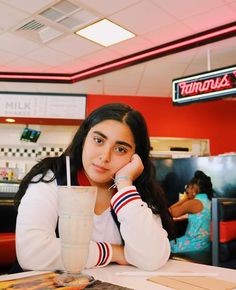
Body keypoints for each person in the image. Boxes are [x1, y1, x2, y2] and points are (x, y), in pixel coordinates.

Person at [14, 103, 175, 273]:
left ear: (135, 157)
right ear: (84, 138)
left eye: (120, 149)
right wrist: (113, 252)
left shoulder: (137, 192)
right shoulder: (51, 178)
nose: (104, 157)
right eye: (98, 141)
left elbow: (152, 258)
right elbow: (32, 253)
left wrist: (124, 184)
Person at [169, 170, 213, 253]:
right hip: (206, 244)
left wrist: (185, 199)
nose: (187, 190)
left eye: (188, 187)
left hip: (194, 244)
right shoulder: (209, 201)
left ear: (194, 188)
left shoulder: (194, 202)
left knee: (166, 245)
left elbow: (169, 212)